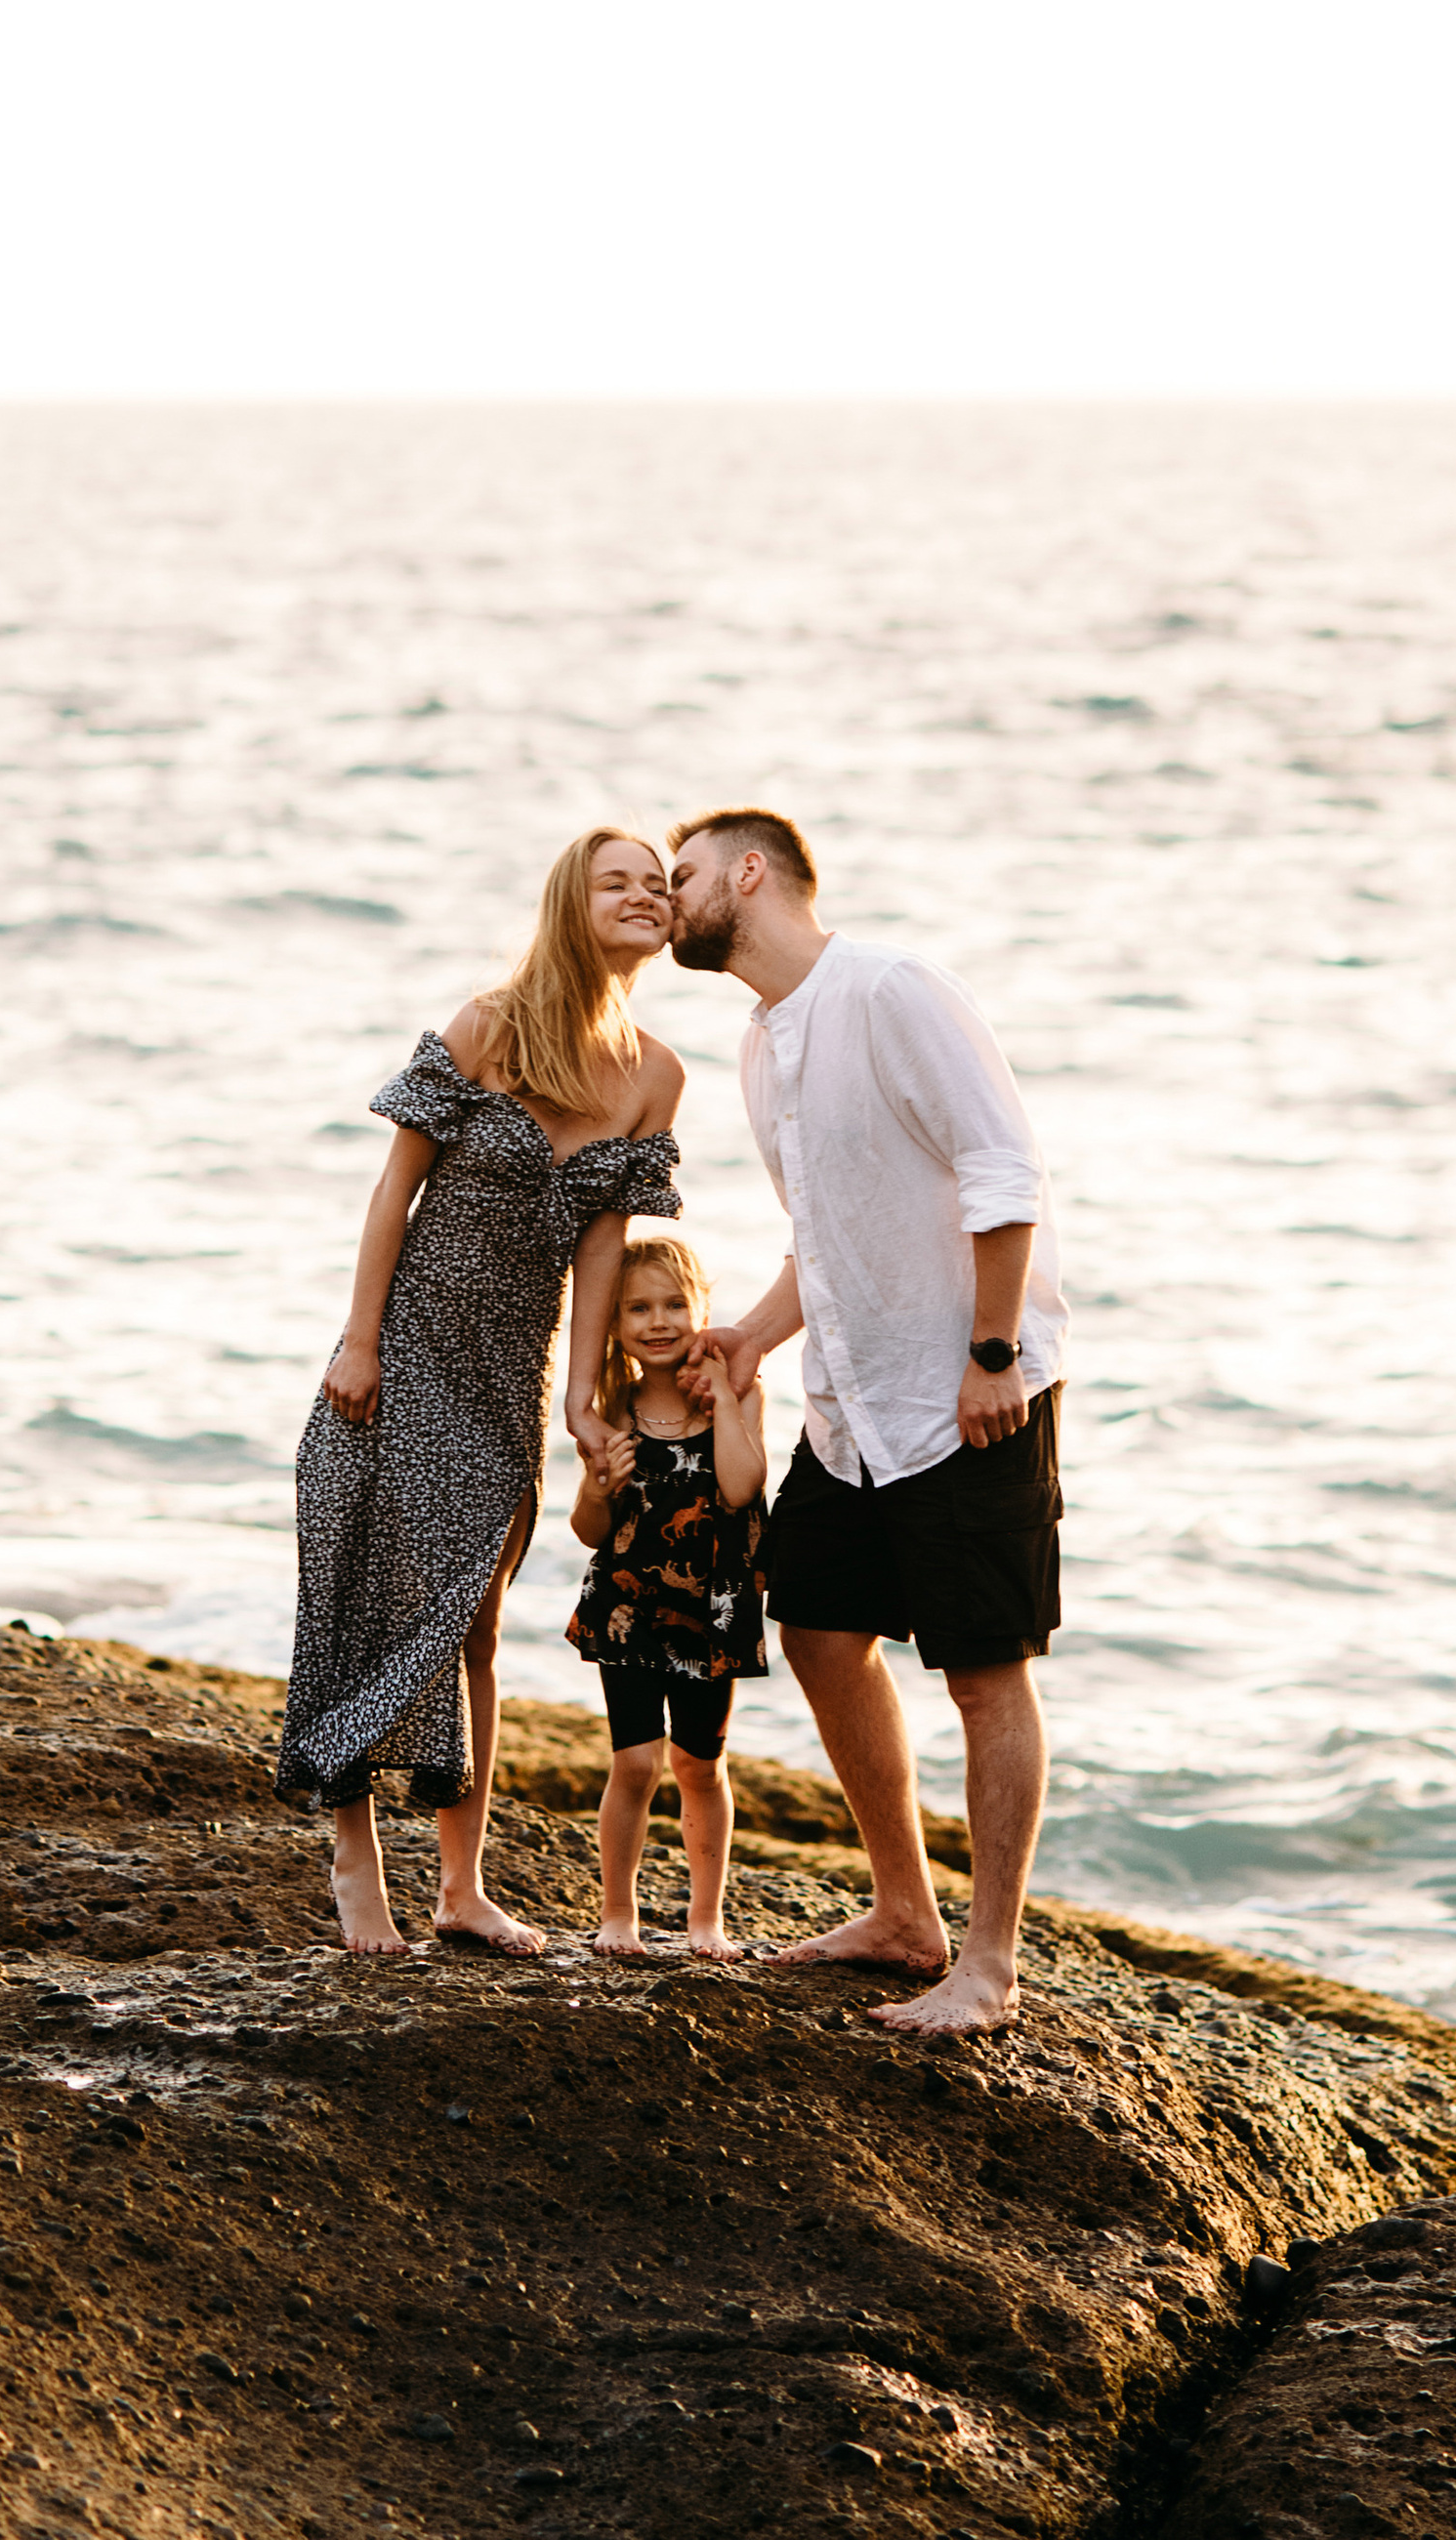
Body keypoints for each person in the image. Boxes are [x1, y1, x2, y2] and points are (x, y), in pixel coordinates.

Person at [665, 806, 1066, 2038]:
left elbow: (1005, 1172)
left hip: (964, 1397)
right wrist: (751, 1335)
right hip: (850, 1407)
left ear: (749, 872)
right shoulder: (755, 1043)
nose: (663, 901)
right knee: (821, 1633)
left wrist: (992, 1353)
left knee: (983, 1672)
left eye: (678, 876)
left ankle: (987, 1968)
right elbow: (826, 1233)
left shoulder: (889, 988)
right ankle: (905, 1914)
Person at [275, 829, 685, 1957]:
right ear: (571, 901)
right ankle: (356, 1859)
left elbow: (604, 1245)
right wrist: (358, 1343)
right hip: (405, 1352)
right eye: (619, 882)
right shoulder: (486, 1026)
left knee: (478, 1625)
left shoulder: (654, 1073)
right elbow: (391, 1192)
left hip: (511, 1366)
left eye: (658, 884)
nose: (644, 895)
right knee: (365, 1600)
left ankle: (461, 1887)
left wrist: (581, 1401)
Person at [566, 1234, 768, 1961]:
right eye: (638, 1308)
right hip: (629, 1605)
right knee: (636, 1763)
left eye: (675, 1304)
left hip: (712, 1611)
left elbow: (742, 1488)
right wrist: (599, 1485)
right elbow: (590, 1530)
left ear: (701, 1308)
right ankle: (617, 1913)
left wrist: (726, 1399)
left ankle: (704, 1920)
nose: (659, 1321)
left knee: (700, 1766)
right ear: (614, 1325)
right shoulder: (612, 1406)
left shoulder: (736, 1393)